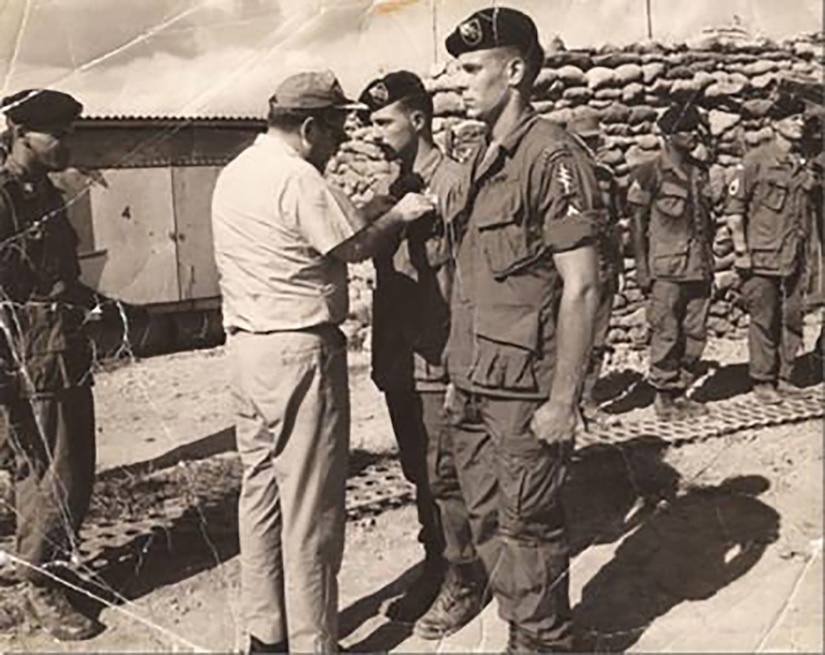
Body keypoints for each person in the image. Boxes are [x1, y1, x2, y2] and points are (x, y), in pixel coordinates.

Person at [211, 70, 435, 654]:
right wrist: (403, 214)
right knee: (311, 506)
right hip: (297, 350)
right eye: (335, 127)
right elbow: (355, 246)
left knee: (260, 497)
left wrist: (374, 208)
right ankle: (314, 644)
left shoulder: (238, 172)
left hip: (246, 350)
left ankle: (266, 635)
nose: (341, 141)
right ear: (309, 127)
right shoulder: (299, 178)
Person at [442, 8, 602, 652]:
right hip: (476, 379)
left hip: (526, 389)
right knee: (487, 520)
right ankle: (524, 632)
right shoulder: (485, 157)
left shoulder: (551, 155)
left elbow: (583, 285)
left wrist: (564, 399)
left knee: (528, 524)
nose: (461, 82)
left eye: (472, 69)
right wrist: (459, 377)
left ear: (514, 72)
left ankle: (542, 642)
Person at [357, 71, 485, 637]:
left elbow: (472, 276)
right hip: (398, 354)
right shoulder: (391, 190)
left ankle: (465, 575)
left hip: (439, 351)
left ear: (419, 119)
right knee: (419, 470)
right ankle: (437, 564)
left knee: (446, 471)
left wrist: (464, 359)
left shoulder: (456, 183)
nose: (375, 133)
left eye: (384, 121)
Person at [0, 88, 102, 640]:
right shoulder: (4, 195)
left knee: (47, 468)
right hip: (28, 355)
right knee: (56, 470)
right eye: (56, 133)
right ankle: (40, 584)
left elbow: (61, 273)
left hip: (59, 345)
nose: (66, 142)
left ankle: (34, 568)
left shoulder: (45, 192)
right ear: (21, 134)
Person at [723, 92, 814, 403]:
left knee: (792, 317)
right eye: (792, 119)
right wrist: (741, 251)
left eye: (801, 118)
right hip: (761, 255)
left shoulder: (801, 164)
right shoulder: (754, 162)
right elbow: (735, 211)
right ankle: (762, 381)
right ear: (775, 124)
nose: (799, 124)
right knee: (764, 318)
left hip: (793, 255)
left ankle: (785, 376)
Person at [627, 102, 715, 421]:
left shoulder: (698, 171)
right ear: (666, 135)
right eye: (685, 129)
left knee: (695, 332)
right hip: (666, 268)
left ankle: (680, 391)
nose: (693, 134)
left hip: (698, 265)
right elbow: (637, 221)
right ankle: (663, 397)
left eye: (695, 128)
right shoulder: (649, 172)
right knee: (666, 331)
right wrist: (641, 266)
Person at [568, 112, 625, 423]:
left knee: (598, 341)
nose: (590, 147)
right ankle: (568, 404)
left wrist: (619, 268)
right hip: (571, 273)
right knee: (570, 339)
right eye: (583, 141)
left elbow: (615, 224)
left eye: (593, 140)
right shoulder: (560, 176)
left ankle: (589, 401)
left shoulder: (605, 176)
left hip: (603, 267)